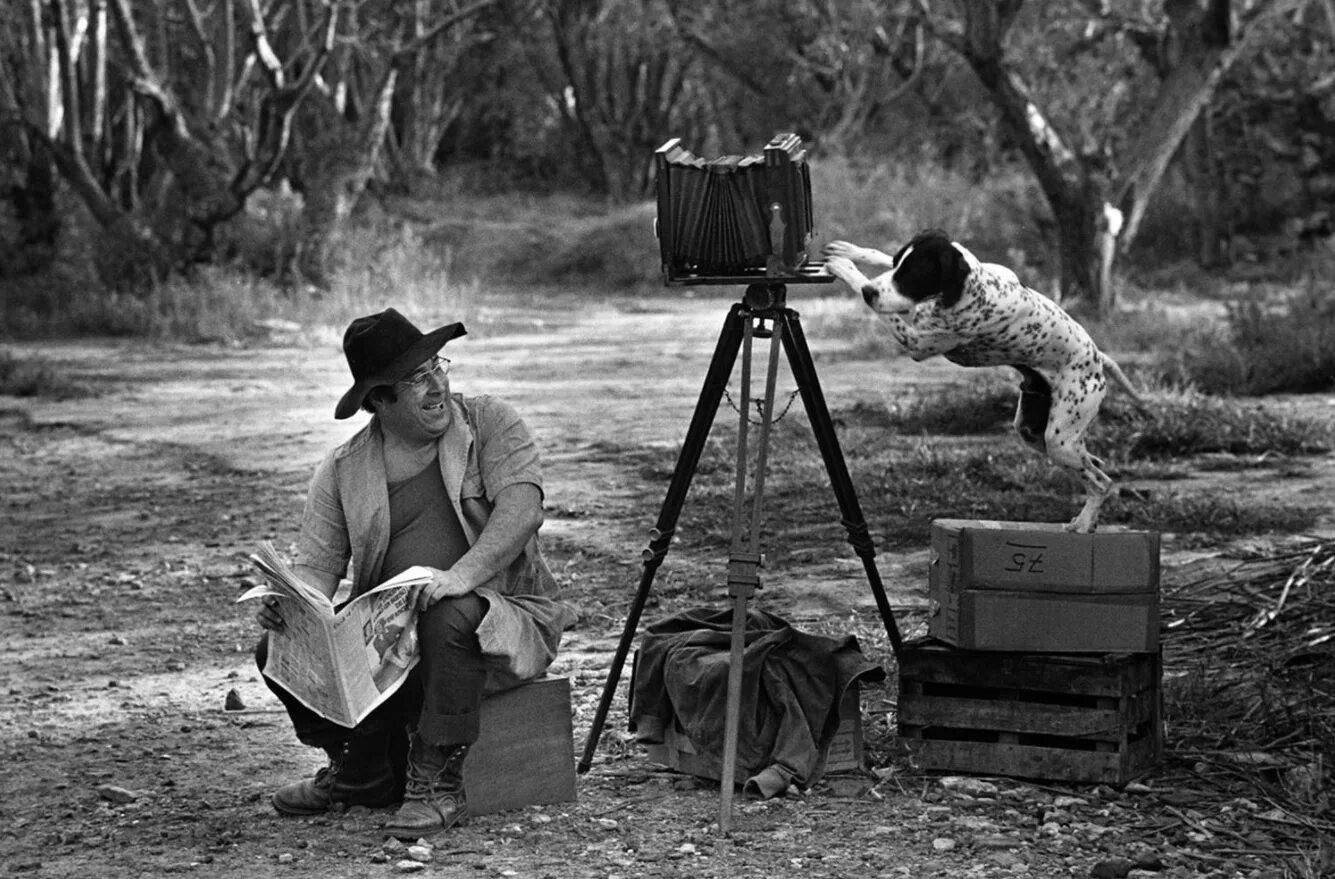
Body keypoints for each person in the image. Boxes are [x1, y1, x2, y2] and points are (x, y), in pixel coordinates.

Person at [254, 307, 578, 839]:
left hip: (494, 620)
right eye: (416, 379)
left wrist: (462, 575)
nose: (437, 386)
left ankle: (438, 783)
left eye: (437, 367)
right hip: (390, 646)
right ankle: (359, 771)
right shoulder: (341, 470)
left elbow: (523, 510)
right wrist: (291, 602)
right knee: (277, 644)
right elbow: (315, 568)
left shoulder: (490, 421)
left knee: (448, 612)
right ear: (378, 401)